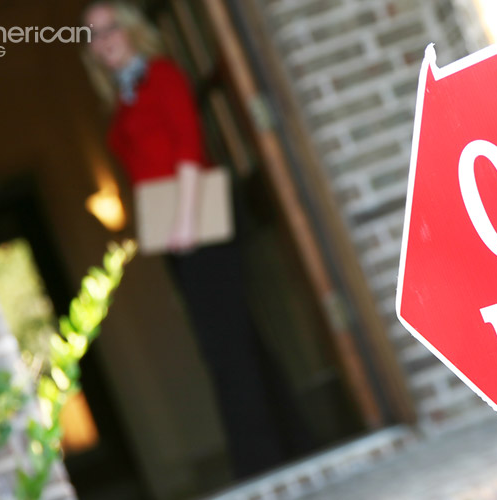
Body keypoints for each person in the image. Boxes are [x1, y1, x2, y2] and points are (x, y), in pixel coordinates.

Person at [82, 1, 298, 479]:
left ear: (132, 31)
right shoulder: (123, 96)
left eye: (111, 29)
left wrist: (182, 222)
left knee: (223, 347)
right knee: (237, 337)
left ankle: (258, 465)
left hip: (196, 215)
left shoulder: (161, 75)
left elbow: (187, 147)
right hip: (174, 226)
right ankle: (290, 442)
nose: (104, 41)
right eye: (94, 36)